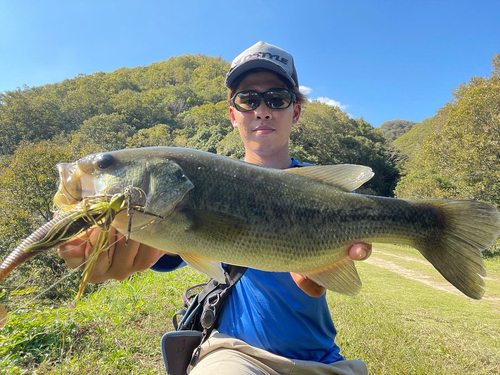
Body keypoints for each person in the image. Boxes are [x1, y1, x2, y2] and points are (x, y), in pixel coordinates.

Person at [59, 41, 371, 375]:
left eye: (277, 98)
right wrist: (119, 244)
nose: (261, 110)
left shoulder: (324, 191)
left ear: (295, 110)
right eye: (248, 99)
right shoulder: (206, 183)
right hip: (233, 354)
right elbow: (169, 249)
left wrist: (330, 262)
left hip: (323, 358)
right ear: (232, 113)